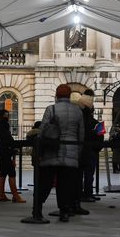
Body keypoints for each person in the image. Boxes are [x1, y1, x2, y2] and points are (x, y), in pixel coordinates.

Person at [36, 84, 84, 222]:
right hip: (71, 151)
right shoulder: (78, 111)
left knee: (45, 183)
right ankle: (64, 212)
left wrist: (39, 150)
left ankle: (37, 210)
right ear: (69, 96)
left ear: (56, 96)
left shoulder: (51, 109)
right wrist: (77, 152)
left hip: (52, 151)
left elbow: (42, 130)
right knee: (66, 185)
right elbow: (81, 135)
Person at [0, 109, 25, 203]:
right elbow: (8, 139)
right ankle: (16, 196)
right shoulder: (4, 124)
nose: (8, 118)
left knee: (3, 173)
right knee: (12, 173)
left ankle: (2, 195)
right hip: (6, 152)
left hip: (0, 152)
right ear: (4, 116)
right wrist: (15, 146)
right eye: (7, 115)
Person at [79, 89, 103, 202]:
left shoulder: (78, 122)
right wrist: (96, 150)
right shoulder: (96, 123)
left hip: (79, 150)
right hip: (91, 152)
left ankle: (78, 193)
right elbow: (101, 138)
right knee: (89, 174)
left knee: (79, 174)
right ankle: (88, 193)